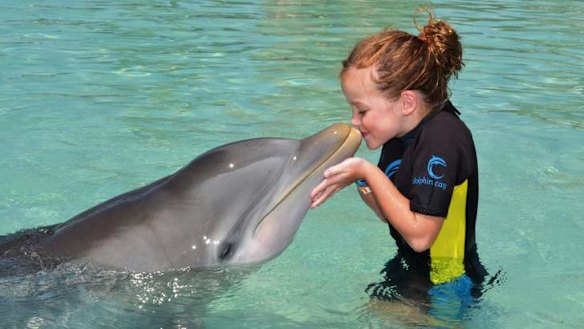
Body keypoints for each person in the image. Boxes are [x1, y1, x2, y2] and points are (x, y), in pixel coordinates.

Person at [310, 10, 490, 315]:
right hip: (410, 269)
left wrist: (365, 170)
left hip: (446, 286)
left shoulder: (442, 137)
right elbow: (392, 214)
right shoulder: (398, 137)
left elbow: (420, 235)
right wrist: (359, 178)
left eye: (362, 111)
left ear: (406, 102)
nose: (355, 121)